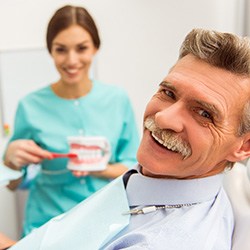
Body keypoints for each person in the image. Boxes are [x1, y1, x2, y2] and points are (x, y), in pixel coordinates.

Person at [8, 28, 250, 250]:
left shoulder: (164, 240)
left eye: (204, 113)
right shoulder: (152, 178)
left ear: (244, 146)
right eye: (168, 92)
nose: (164, 118)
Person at [3, 5, 139, 237]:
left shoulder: (117, 100)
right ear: (51, 51)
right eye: (61, 50)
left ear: (95, 47)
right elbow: (14, 182)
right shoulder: (30, 105)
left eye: (82, 48)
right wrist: (10, 161)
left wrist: (100, 168)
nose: (71, 60)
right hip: (46, 226)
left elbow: (134, 169)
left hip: (105, 224)